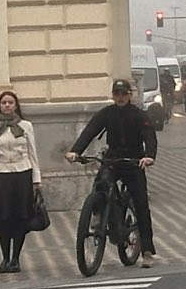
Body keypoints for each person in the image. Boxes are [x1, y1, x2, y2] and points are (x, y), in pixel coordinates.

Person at [66, 78, 159, 267]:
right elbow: (90, 131)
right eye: (117, 94)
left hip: (133, 161)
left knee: (141, 204)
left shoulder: (139, 115)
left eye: (123, 94)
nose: (120, 97)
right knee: (101, 183)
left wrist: (149, 156)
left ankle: (147, 250)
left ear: (130, 95)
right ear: (113, 96)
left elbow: (150, 136)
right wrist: (76, 151)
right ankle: (98, 213)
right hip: (113, 158)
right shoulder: (107, 114)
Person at [0, 91, 42, 274]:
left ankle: (15, 258)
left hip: (22, 174)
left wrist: (36, 180)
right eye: (4, 102)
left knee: (20, 218)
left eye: (10, 102)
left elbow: (33, 153)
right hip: (1, 175)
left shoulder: (26, 126)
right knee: (3, 219)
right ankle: (5, 258)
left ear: (16, 105)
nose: (7, 105)